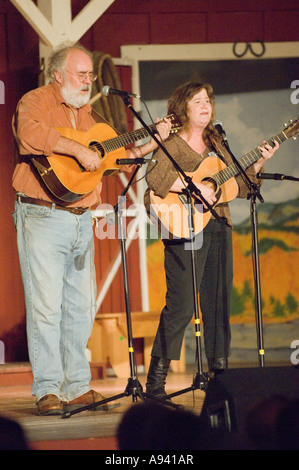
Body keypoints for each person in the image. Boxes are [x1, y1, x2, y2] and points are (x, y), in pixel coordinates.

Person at [12, 42, 171, 416]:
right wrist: (76, 149)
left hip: (83, 219)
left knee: (81, 308)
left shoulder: (92, 114)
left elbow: (117, 158)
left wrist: (150, 142)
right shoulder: (35, 101)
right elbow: (29, 134)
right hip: (43, 214)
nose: (89, 81)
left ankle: (78, 386)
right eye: (81, 74)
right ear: (58, 75)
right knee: (47, 307)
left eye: (90, 75)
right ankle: (48, 389)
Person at [144, 81, 279, 398]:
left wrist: (259, 163)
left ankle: (220, 377)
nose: (205, 105)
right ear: (183, 108)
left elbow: (241, 188)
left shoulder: (218, 144)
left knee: (218, 302)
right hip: (183, 226)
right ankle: (155, 381)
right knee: (181, 305)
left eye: (208, 100)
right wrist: (194, 187)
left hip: (219, 224)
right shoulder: (174, 145)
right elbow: (156, 179)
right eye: (197, 101)